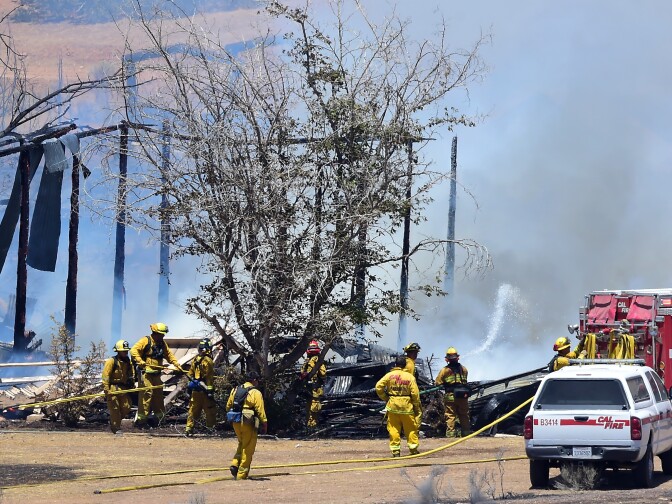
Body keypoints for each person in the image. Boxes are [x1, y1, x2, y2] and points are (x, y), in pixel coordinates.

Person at [130, 322, 185, 427]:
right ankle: (141, 421)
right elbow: (133, 351)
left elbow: (168, 354)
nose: (163, 336)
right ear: (155, 332)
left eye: (163, 334)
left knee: (158, 397)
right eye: (161, 334)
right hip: (145, 374)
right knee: (146, 395)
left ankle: (159, 420)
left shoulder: (162, 343)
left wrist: (176, 364)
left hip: (156, 374)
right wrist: (140, 361)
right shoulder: (146, 340)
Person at [375, 355, 421, 457]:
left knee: (393, 429)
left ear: (395, 364)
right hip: (407, 407)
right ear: (405, 365)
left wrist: (385, 397)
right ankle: (413, 450)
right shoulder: (410, 377)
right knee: (411, 429)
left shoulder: (389, 375)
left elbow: (378, 387)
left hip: (393, 406)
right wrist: (416, 406)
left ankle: (395, 451)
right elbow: (415, 394)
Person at [227, 370, 268, 480]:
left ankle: (235, 464)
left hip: (235, 420)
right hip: (247, 421)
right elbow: (260, 410)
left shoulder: (235, 389)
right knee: (248, 447)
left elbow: (228, 406)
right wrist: (264, 423)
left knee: (241, 443)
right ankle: (242, 474)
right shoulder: (255, 392)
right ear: (254, 380)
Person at [435, 347, 471, 438]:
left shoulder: (444, 370)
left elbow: (438, 382)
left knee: (450, 416)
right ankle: (466, 434)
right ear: (457, 358)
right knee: (464, 415)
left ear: (447, 359)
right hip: (463, 396)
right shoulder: (464, 369)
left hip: (450, 397)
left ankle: (450, 436)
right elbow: (465, 381)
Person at [101, 339, 135, 434]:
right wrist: (106, 389)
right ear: (118, 351)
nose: (126, 352)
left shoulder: (128, 362)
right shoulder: (111, 361)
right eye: (124, 351)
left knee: (126, 407)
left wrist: (131, 383)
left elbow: (131, 374)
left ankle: (114, 422)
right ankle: (116, 428)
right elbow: (105, 376)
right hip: (112, 388)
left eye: (126, 351)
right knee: (115, 409)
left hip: (123, 388)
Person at [185, 338, 216, 436]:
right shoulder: (208, 361)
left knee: (193, 411)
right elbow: (209, 377)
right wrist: (210, 391)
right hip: (205, 391)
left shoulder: (195, 360)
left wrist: (189, 388)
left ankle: (189, 429)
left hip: (195, 390)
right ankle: (210, 430)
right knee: (210, 410)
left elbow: (190, 374)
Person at [299, 339, 327, 429]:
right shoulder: (309, 361)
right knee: (309, 411)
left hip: (314, 390)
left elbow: (323, 374)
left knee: (313, 411)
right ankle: (310, 428)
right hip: (309, 390)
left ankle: (312, 429)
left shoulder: (317, 361)